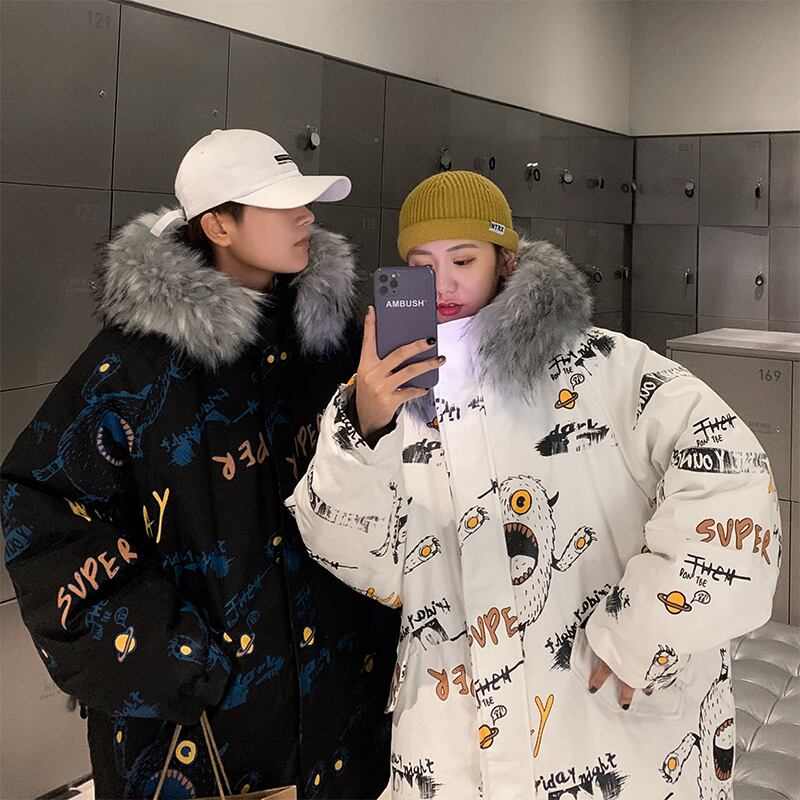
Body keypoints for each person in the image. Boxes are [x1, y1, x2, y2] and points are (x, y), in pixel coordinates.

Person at [288, 170, 781, 799]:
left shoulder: (609, 369)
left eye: (463, 259)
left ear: (506, 260)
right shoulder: (387, 397)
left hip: (608, 725)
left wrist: (646, 631)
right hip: (453, 742)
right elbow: (361, 562)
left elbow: (731, 475)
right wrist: (365, 423)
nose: (442, 284)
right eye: (421, 265)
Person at [1, 129, 398, 800]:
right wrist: (177, 657)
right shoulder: (136, 364)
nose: (307, 216)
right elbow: (40, 507)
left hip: (339, 722)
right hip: (205, 744)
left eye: (306, 201)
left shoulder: (328, 342)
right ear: (218, 225)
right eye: (282, 204)